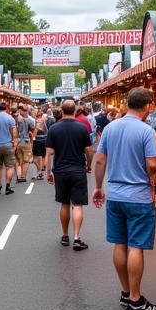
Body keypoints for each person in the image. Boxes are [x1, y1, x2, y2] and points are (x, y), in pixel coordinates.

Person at [92, 87, 156, 310]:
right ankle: (135, 299)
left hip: (116, 195)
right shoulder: (146, 131)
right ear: (147, 106)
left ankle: (125, 292)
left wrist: (98, 187)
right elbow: (152, 165)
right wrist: (153, 182)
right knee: (136, 246)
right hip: (139, 196)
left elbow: (100, 160)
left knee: (119, 243)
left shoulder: (110, 128)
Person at [46, 99, 93, 249]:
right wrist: (88, 165)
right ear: (74, 110)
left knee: (64, 204)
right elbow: (89, 150)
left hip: (60, 170)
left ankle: (65, 236)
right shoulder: (82, 128)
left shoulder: (53, 128)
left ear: (61, 110)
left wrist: (48, 172)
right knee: (77, 205)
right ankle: (77, 238)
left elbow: (48, 153)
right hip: (78, 169)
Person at [0, 101, 17, 194]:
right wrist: (14, 142)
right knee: (10, 167)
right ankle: (7, 186)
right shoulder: (10, 118)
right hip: (8, 145)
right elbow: (14, 133)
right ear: (6, 109)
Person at [14, 106, 33, 182]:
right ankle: (23, 177)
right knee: (26, 160)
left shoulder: (16, 119)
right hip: (25, 141)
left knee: (18, 160)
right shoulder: (29, 120)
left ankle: (18, 176)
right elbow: (32, 129)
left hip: (18, 141)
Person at [32, 107, 49, 178]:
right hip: (44, 140)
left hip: (37, 141)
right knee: (42, 156)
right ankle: (40, 171)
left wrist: (36, 127)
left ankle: (40, 171)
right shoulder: (44, 122)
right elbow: (47, 131)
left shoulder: (36, 122)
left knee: (35, 158)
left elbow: (34, 135)